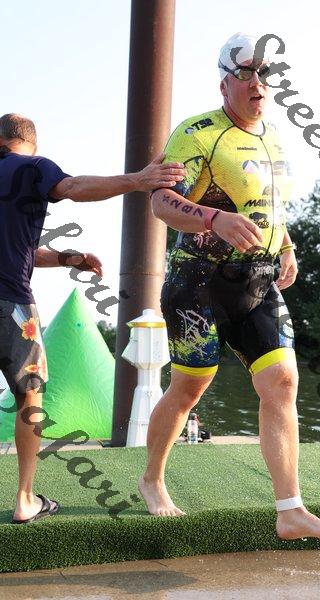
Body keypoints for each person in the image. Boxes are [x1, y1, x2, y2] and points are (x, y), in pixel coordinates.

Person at [138, 33, 320, 541]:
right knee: (190, 388)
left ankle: (290, 510)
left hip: (258, 281)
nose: (258, 83)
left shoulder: (273, 136)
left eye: (265, 74)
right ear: (224, 84)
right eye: (246, 74)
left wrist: (287, 245)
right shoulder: (198, 134)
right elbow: (162, 202)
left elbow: (270, 205)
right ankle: (152, 479)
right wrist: (214, 218)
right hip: (198, 283)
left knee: (283, 381)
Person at [0, 113, 185, 524]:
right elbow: (73, 187)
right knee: (30, 395)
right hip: (10, 305)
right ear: (31, 141)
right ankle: (25, 499)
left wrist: (70, 258)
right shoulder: (34, 166)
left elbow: (22, 251)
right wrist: (138, 180)